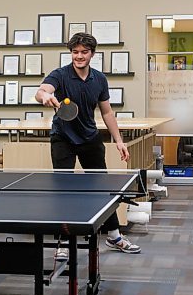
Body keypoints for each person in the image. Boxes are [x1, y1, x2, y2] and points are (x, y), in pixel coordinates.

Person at [35, 33, 141, 258]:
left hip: (90, 139)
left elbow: (107, 111)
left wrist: (119, 141)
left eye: (84, 52)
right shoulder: (60, 75)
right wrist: (44, 96)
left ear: (92, 54)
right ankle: (63, 242)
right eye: (75, 52)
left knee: (103, 188)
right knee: (64, 190)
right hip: (62, 138)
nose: (79, 56)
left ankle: (114, 236)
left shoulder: (99, 79)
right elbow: (42, 90)